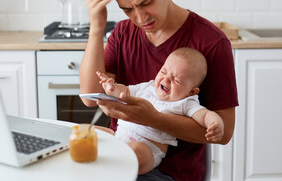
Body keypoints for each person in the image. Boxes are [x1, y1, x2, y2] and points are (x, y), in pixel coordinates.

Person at [79, 0, 238, 181]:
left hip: (170, 172)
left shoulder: (212, 42)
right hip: (120, 156)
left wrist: (152, 118)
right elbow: (90, 97)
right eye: (127, 9)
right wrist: (96, 28)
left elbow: (224, 134)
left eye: (146, 2)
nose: (141, 18)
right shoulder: (122, 33)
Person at [96, 47, 224, 174]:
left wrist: (216, 123)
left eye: (176, 80)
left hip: (149, 151)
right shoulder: (148, 87)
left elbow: (205, 115)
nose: (166, 79)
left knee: (136, 150)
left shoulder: (186, 102)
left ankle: (109, 168)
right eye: (163, 72)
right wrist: (112, 88)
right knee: (92, 131)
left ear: (191, 91)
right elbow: (125, 91)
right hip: (119, 136)